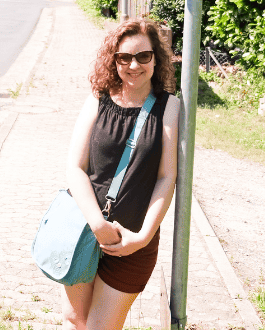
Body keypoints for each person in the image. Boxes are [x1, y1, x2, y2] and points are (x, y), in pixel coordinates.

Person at [61, 18, 180, 330]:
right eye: (124, 57)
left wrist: (142, 238)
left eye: (143, 56)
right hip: (83, 229)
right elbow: (75, 167)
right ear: (113, 60)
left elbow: (167, 177)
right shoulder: (98, 99)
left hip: (132, 242)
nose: (134, 65)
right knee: (75, 319)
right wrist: (97, 223)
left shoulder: (169, 108)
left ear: (157, 58)